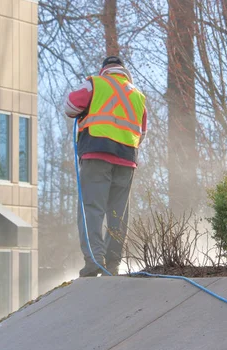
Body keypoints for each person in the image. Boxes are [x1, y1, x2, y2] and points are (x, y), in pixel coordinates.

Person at [64, 56, 147, 277]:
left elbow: (71, 106)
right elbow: (142, 131)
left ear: (104, 70)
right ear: (123, 72)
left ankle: (94, 262)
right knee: (117, 214)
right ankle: (112, 265)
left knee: (92, 208)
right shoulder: (138, 96)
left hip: (97, 154)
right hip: (127, 159)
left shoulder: (95, 83)